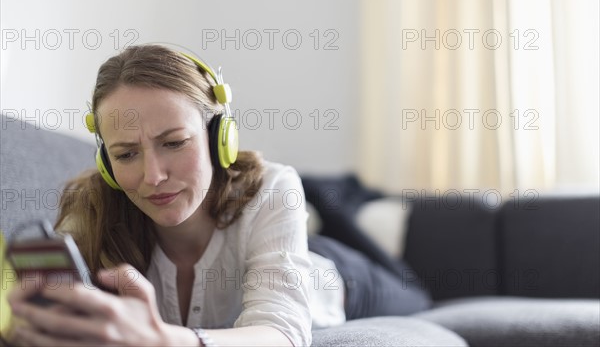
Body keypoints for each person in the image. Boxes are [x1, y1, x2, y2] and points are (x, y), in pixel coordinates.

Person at [6, 44, 427, 347]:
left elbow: (282, 333)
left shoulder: (273, 188)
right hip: (265, 246)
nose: (153, 176)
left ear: (218, 139)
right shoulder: (93, 211)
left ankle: (340, 202)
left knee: (416, 292)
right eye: (127, 154)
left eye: (173, 143)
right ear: (106, 163)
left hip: (340, 279)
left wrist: (166, 340)